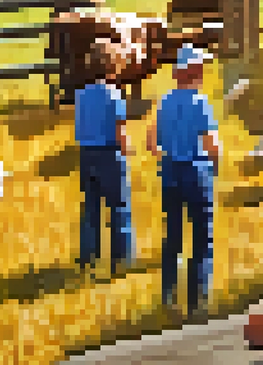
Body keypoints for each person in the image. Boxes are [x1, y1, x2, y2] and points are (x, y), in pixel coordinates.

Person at [146, 45, 221, 317]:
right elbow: (211, 144)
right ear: (196, 72)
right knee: (202, 239)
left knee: (173, 236)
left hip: (170, 173)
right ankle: (197, 301)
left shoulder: (165, 101)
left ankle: (168, 296)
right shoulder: (201, 103)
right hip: (196, 174)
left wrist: (163, 156)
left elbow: (151, 140)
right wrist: (216, 164)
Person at [75, 38, 135, 278]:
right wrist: (128, 149)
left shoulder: (81, 95)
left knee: (91, 208)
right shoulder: (115, 96)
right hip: (110, 154)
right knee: (119, 206)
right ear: (114, 67)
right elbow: (120, 131)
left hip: (87, 154)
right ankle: (122, 257)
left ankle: (89, 255)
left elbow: (79, 128)